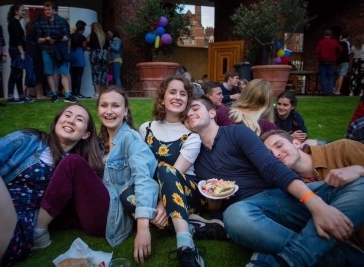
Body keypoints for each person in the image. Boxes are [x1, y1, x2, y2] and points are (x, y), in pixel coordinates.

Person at [184, 95, 364, 267]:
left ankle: (291, 259)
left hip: (280, 198)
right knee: (234, 216)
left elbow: (272, 168)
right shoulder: (195, 158)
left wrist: (316, 204)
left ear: (213, 113)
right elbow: (215, 208)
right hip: (248, 212)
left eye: (195, 108)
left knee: (359, 185)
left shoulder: (238, 133)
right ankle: (338, 256)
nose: (190, 114)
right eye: (186, 114)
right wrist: (213, 199)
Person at [34, 86, 161, 264]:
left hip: (111, 216)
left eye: (115, 106)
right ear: (98, 110)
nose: (109, 111)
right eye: (104, 105)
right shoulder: (99, 141)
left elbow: (144, 179)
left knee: (73, 163)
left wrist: (143, 227)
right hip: (89, 211)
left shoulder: (130, 139)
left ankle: (37, 233)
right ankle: (29, 223)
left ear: (125, 111)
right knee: (44, 211)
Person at [0, 103, 103, 266]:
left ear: (86, 134)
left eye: (79, 119)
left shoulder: (76, 168)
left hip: (14, 231)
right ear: (57, 121)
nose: (71, 121)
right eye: (67, 115)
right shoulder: (27, 140)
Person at [139, 75, 226, 267]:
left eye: (183, 94)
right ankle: (195, 224)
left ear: (188, 100)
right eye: (172, 92)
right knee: (127, 195)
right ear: (162, 98)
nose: (178, 97)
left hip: (187, 191)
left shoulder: (191, 136)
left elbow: (176, 172)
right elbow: (142, 170)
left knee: (165, 169)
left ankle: (185, 244)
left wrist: (161, 206)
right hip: (155, 192)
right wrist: (149, 201)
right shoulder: (146, 128)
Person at [260, 129, 364, 266]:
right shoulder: (291, 190)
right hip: (344, 248)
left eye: (279, 146)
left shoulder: (343, 148)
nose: (276, 154)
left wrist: (359, 170)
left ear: (296, 143)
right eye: (270, 155)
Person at [36, 1, 77, 103]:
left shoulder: (62, 21)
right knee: (49, 73)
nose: (47, 11)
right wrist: (47, 38)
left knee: (63, 72)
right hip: (47, 50)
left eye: (49, 9)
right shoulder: (41, 23)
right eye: (45, 10)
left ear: (54, 10)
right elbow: (38, 39)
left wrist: (56, 38)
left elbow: (67, 37)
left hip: (60, 50)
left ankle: (68, 94)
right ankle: (54, 94)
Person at [6, 4, 34, 104]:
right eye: (22, 10)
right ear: (16, 11)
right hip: (16, 51)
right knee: (15, 73)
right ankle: (11, 97)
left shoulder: (15, 22)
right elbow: (16, 38)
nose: (24, 12)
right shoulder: (14, 22)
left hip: (17, 50)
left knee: (18, 74)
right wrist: (21, 52)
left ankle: (21, 96)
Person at [25, 10, 47, 99]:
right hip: (36, 51)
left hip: (29, 50)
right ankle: (39, 94)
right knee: (38, 72)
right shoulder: (38, 26)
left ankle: (24, 92)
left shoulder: (28, 25)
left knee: (30, 72)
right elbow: (38, 40)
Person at [314, 29, 343, 96]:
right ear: (331, 35)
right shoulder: (334, 42)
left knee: (323, 77)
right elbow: (340, 49)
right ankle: (330, 90)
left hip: (323, 61)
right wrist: (336, 55)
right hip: (331, 61)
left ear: (324, 35)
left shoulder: (320, 42)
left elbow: (316, 51)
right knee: (331, 77)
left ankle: (325, 91)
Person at [87, 22, 110, 98]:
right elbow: (108, 47)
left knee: (95, 73)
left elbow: (89, 47)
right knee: (104, 73)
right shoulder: (105, 35)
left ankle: (97, 93)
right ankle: (103, 93)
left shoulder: (92, 35)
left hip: (95, 54)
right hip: (104, 55)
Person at [69, 20, 87, 98]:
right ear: (82, 29)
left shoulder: (71, 36)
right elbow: (84, 47)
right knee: (79, 76)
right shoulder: (83, 37)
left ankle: (73, 92)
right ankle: (78, 92)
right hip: (79, 54)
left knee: (73, 75)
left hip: (72, 54)